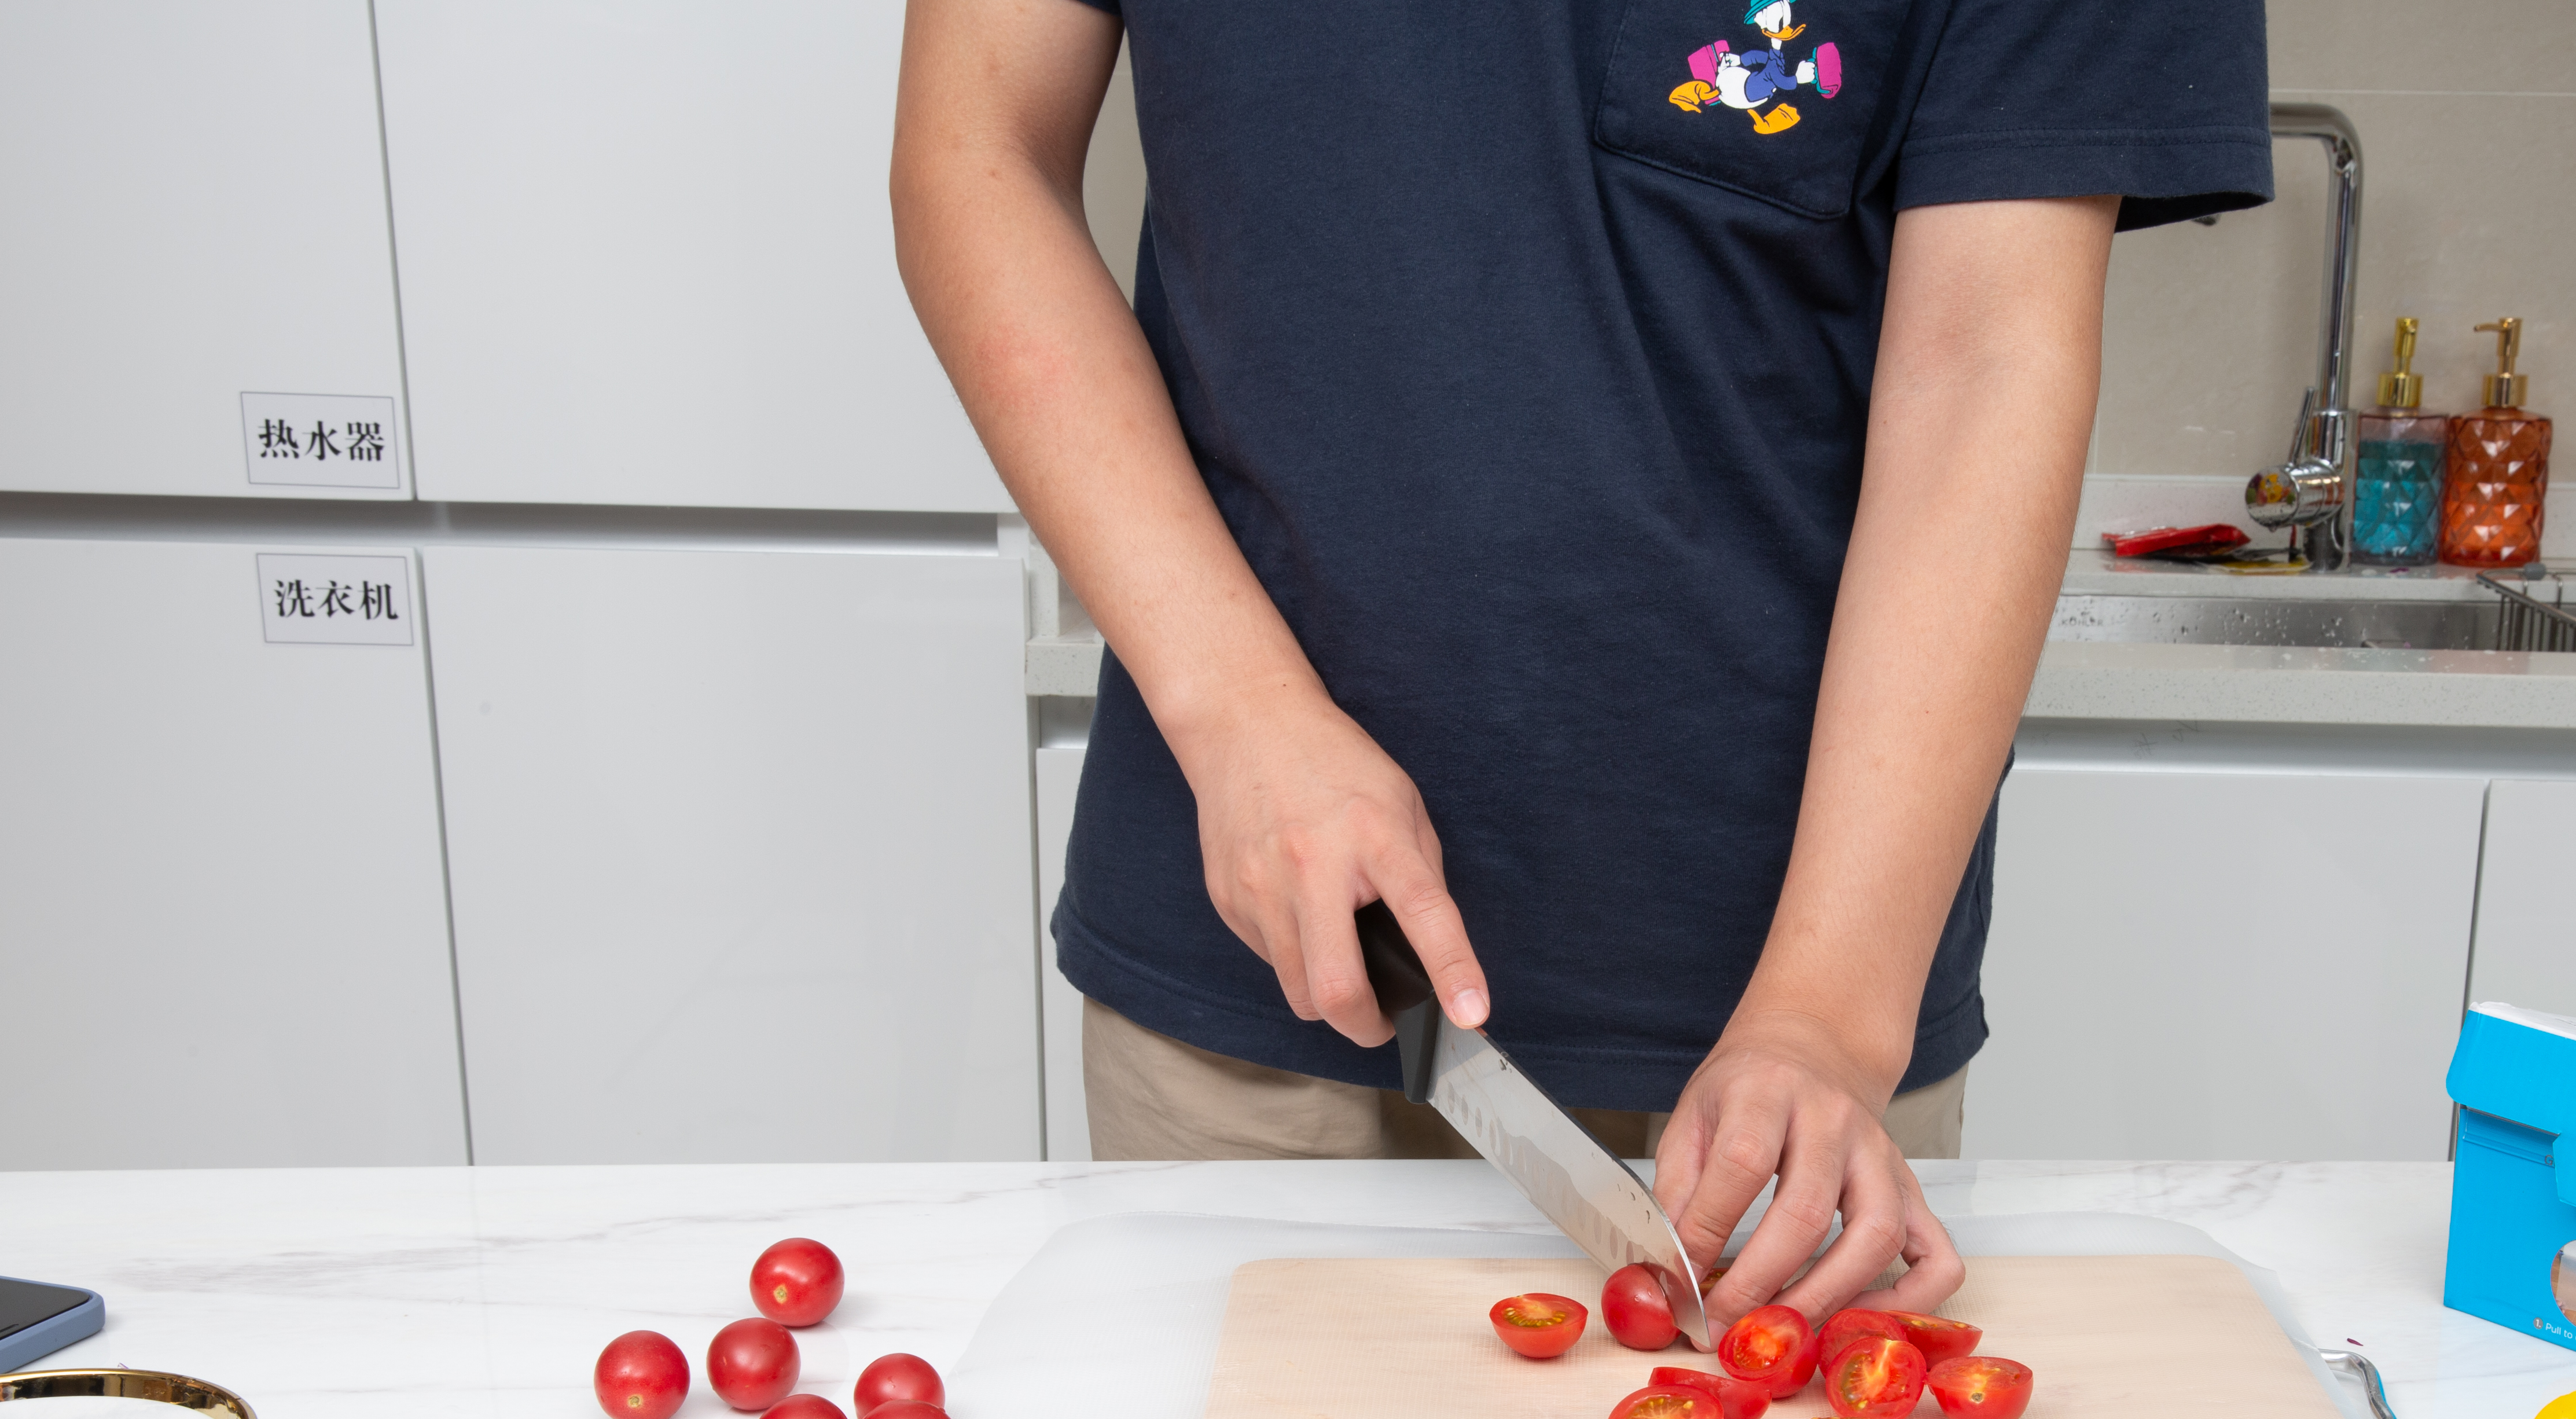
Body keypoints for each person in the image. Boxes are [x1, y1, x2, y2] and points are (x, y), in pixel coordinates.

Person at [893, 1, 2270, 1326]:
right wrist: (1241, 714)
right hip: (1254, 966)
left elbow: (1989, 359)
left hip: (1792, 1036)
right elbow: (976, 155)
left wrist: (1831, 1022)